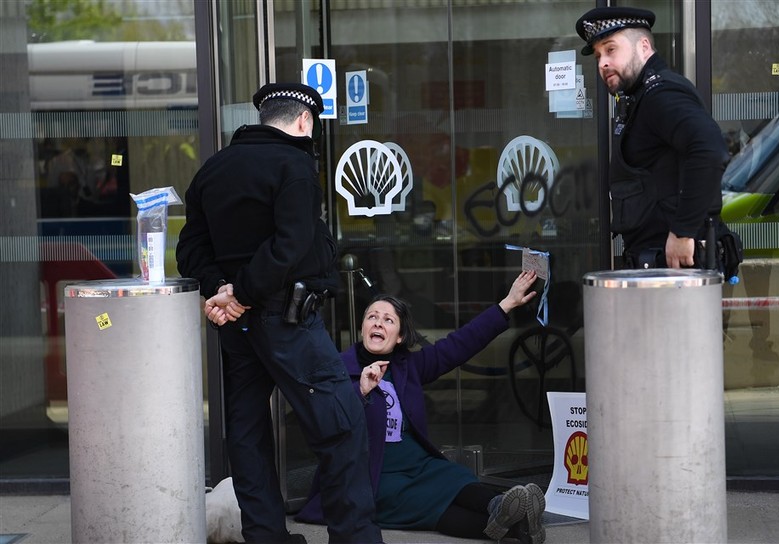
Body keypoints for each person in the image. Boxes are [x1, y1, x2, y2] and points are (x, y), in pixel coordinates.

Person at [176, 82, 383, 544]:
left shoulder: (214, 168)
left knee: (247, 435)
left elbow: (190, 247)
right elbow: (289, 245)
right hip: (286, 320)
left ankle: (266, 537)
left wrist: (222, 292)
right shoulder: (294, 166)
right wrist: (242, 294)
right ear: (304, 121)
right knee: (341, 425)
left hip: (236, 325)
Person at [296, 270, 547, 544]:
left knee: (455, 477)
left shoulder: (408, 366)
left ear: (400, 336)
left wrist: (507, 304)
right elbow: (324, 421)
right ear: (362, 328)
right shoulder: (339, 369)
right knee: (430, 505)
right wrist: (361, 391)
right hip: (375, 476)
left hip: (418, 464)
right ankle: (519, 527)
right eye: (372, 317)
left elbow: (458, 345)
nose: (378, 323)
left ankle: (503, 507)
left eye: (388, 320)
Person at [575, 7, 732, 271]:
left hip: (677, 271)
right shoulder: (640, 97)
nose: (602, 62)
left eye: (611, 49)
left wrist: (683, 231)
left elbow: (709, 149)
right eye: (599, 55)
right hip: (660, 271)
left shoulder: (661, 94)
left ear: (644, 47)